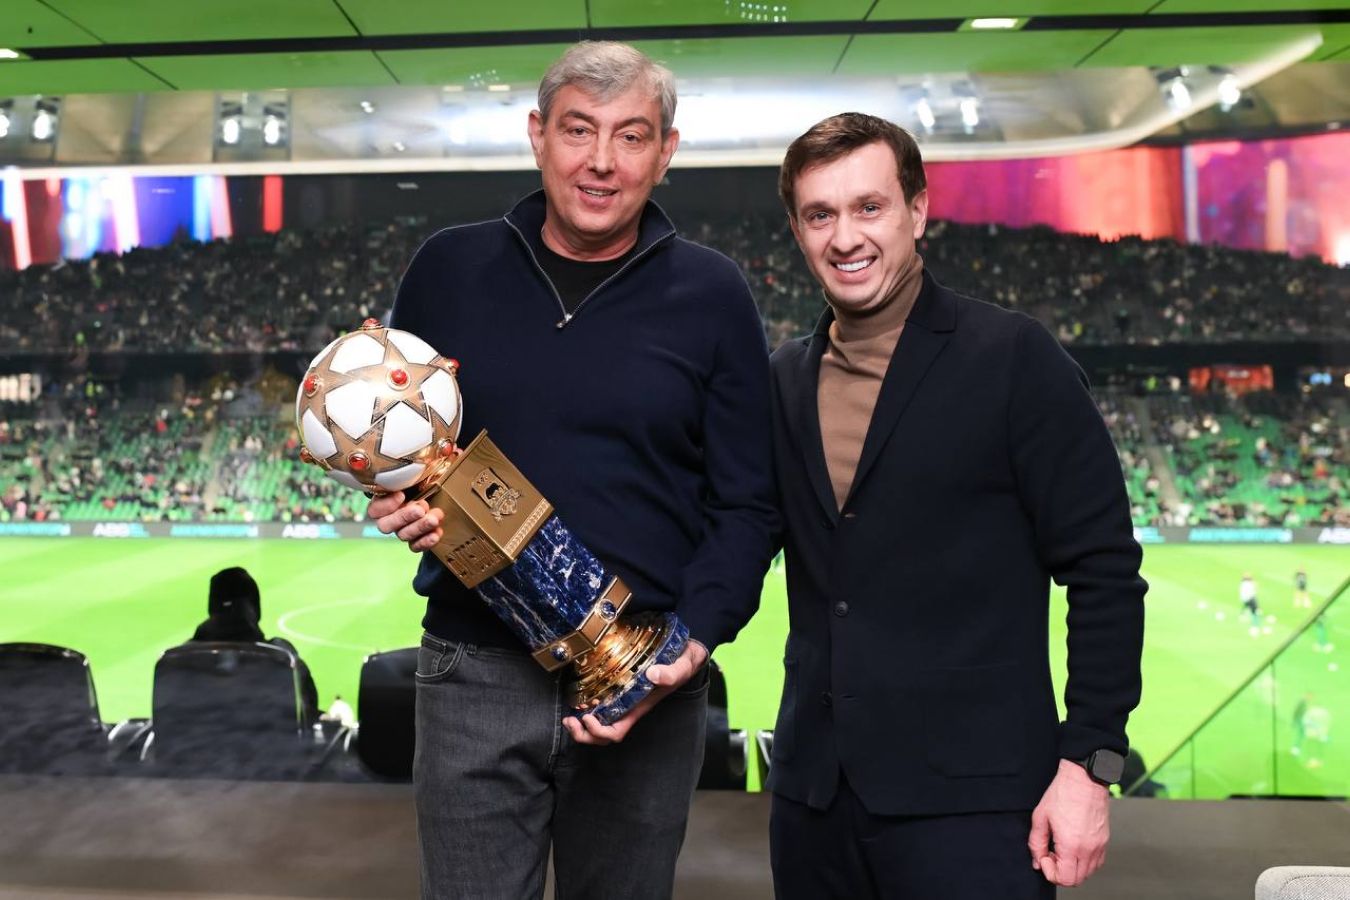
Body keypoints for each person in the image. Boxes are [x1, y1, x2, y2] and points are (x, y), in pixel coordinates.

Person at [367, 42, 776, 900]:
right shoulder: (447, 268)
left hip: (643, 684)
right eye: (578, 130)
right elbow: (402, 443)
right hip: (473, 672)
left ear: (665, 152)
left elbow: (750, 501)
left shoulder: (714, 293)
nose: (601, 161)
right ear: (537, 135)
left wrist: (694, 642)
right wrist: (392, 496)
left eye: (631, 136)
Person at [766, 113, 1146, 899]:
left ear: (917, 210)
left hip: (977, 811)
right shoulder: (784, 380)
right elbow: (732, 539)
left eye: (869, 207)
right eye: (820, 215)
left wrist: (1090, 766)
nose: (845, 237)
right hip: (814, 806)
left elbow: (1105, 572)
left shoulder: (1014, 357)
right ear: (798, 232)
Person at [189, 566, 320, 724]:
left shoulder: (178, 660)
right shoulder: (283, 657)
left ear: (212, 609)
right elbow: (308, 710)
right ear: (255, 609)